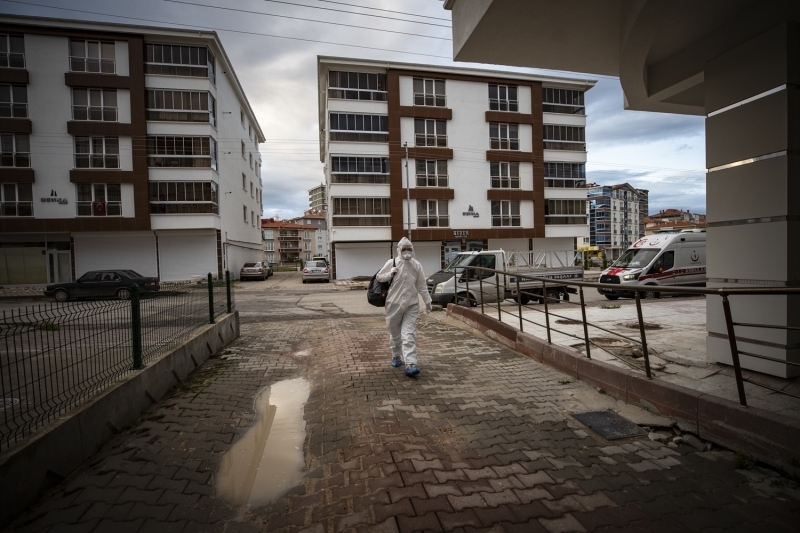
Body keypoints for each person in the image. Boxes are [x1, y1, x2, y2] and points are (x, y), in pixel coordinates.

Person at [375, 237, 432, 377]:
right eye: (404, 249)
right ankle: (396, 355)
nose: (407, 251)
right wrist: (390, 273)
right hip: (393, 304)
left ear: (412, 249)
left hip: (411, 305)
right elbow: (379, 277)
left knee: (408, 334)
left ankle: (411, 363)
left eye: (409, 248)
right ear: (399, 250)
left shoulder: (416, 265)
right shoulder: (391, 263)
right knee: (395, 334)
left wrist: (427, 301)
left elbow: (422, 285)